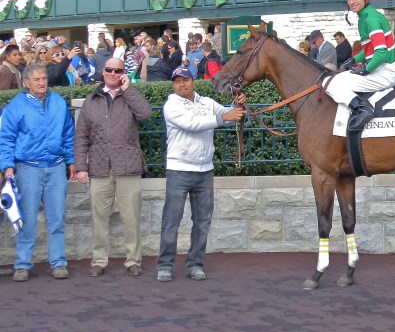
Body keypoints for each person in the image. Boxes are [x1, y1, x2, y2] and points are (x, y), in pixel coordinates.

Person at [156, 67, 246, 282]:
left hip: (205, 170)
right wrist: (225, 116)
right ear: (173, 84)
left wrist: (237, 104)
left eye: (185, 80)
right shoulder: (172, 105)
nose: (181, 85)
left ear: (193, 81)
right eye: (177, 81)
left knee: (203, 222)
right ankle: (165, 265)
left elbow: (227, 113)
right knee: (172, 220)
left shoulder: (206, 102)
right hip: (179, 170)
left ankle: (195, 264)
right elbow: (192, 124)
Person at [75, 58, 152, 277]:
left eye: (117, 70)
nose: (112, 73)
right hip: (99, 167)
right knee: (99, 218)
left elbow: (146, 114)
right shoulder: (91, 101)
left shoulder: (129, 96)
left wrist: (129, 90)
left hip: (127, 166)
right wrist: (81, 167)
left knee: (131, 217)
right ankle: (99, 261)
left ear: (123, 74)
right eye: (109, 69)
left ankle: (133, 260)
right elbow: (81, 136)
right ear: (103, 71)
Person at [0, 64, 75, 282]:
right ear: (26, 83)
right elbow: (6, 139)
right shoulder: (15, 106)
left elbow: (68, 134)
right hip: (27, 169)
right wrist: (8, 167)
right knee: (28, 220)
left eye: (44, 78)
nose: (42, 82)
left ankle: (59, 263)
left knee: (57, 218)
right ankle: (23, 264)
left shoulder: (58, 102)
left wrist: (71, 161)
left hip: (56, 167)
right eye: (36, 79)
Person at [327, 0, 395, 132]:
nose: (352, 1)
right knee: (335, 78)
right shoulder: (365, 17)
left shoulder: (371, 19)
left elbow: (381, 53)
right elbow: (369, 50)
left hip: (385, 72)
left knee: (332, 84)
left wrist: (366, 70)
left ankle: (363, 110)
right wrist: (353, 60)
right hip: (382, 69)